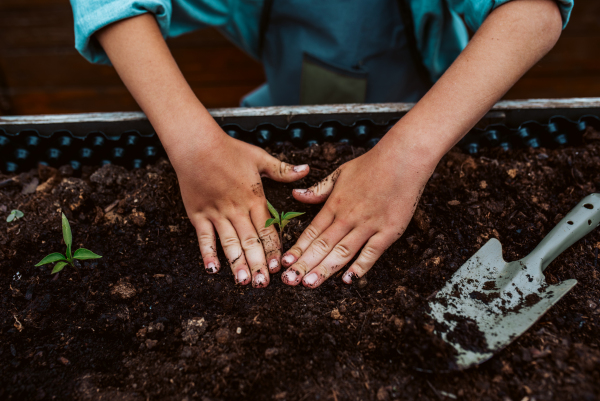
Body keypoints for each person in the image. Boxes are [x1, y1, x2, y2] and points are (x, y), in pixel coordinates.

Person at [70, 0, 573, 289]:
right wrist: (194, 145)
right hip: (288, 98)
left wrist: (408, 152)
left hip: (435, 112)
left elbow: (535, 9)